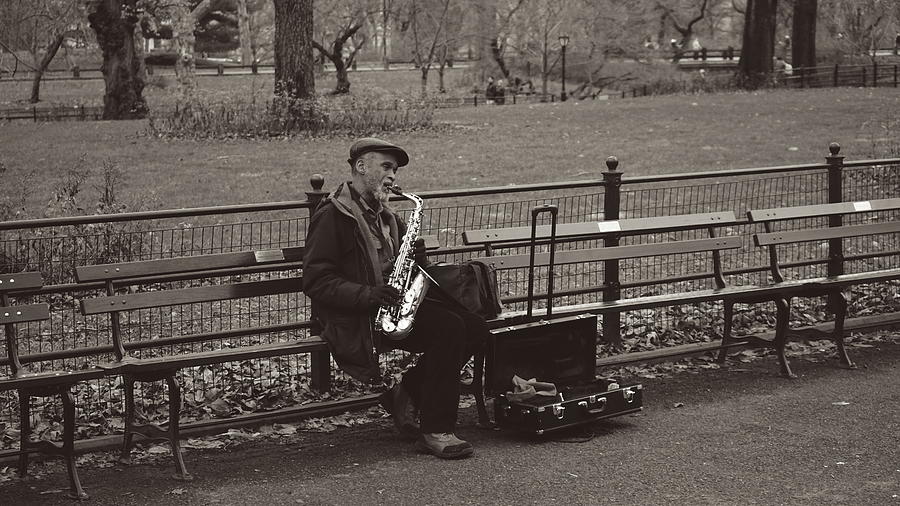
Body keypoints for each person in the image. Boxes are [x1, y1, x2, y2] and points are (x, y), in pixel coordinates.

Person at [303, 138, 488, 460]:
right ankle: (436, 429)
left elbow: (409, 270)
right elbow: (317, 281)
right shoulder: (333, 215)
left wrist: (419, 258)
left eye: (395, 169)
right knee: (448, 329)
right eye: (386, 167)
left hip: (391, 305)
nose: (392, 176)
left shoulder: (387, 216)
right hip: (356, 316)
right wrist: (368, 295)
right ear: (361, 166)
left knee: (474, 327)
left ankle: (408, 390)